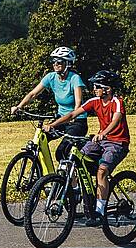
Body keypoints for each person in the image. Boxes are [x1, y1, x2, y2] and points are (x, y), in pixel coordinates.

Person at [47, 69, 130, 225]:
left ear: (107, 89)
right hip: (99, 140)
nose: (94, 89)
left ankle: (99, 211)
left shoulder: (117, 101)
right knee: (77, 161)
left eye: (97, 86)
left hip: (118, 142)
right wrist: (53, 125)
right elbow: (73, 114)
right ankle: (81, 196)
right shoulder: (94, 101)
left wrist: (103, 133)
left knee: (102, 171)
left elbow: (116, 120)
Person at [15, 46, 87, 127]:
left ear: (68, 63)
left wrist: (74, 116)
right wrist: (19, 106)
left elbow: (79, 102)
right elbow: (33, 94)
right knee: (43, 135)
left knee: (67, 140)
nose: (55, 64)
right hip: (61, 118)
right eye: (53, 62)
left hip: (77, 119)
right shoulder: (50, 77)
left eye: (59, 62)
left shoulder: (75, 78)